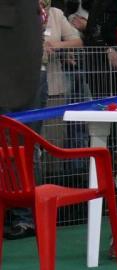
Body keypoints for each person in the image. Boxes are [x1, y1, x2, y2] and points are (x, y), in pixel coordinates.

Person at [0, 0, 44, 240]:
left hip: (14, 48)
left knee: (15, 137)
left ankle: (24, 216)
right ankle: (21, 215)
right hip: (15, 38)